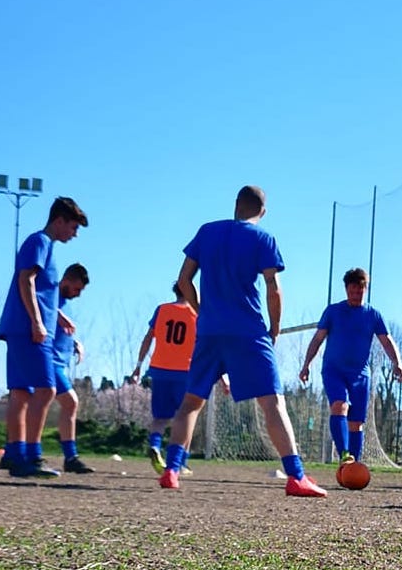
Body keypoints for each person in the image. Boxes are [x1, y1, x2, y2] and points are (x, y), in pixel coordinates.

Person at [158, 185, 326, 497]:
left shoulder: (206, 232)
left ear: (236, 204)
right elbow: (273, 287)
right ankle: (296, 477)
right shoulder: (263, 238)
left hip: (209, 331)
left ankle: (171, 471)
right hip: (248, 331)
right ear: (263, 212)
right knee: (272, 403)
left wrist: (201, 311)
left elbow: (183, 280)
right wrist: (274, 327)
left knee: (191, 403)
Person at [0, 196, 88, 478]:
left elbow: (43, 291)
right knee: (46, 390)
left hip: (19, 327)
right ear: (59, 221)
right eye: (73, 227)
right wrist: (37, 321)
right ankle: (32, 457)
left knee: (22, 393)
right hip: (29, 330)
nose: (74, 234)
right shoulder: (40, 242)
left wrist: (54, 316)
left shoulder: (44, 245)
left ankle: (13, 454)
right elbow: (27, 280)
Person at [297, 267, 402, 464]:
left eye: (360, 291)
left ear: (366, 289)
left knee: (356, 423)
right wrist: (306, 365)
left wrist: (397, 363)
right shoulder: (333, 311)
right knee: (339, 405)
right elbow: (317, 339)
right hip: (334, 370)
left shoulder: (373, 315)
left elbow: (387, 340)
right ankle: (344, 454)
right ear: (346, 289)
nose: (356, 295)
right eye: (352, 290)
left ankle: (354, 466)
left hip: (360, 375)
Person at [128, 283, 197, 474]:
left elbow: (148, 337)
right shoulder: (196, 314)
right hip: (185, 371)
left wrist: (139, 365)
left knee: (160, 417)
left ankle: (155, 445)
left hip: (159, 369)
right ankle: (182, 462)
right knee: (186, 417)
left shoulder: (162, 310)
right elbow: (203, 346)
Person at [51, 263, 93, 474]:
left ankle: (18, 450)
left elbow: (60, 327)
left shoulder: (66, 303)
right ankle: (70, 456)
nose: (77, 294)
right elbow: (44, 309)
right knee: (70, 402)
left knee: (32, 403)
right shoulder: (50, 294)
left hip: (60, 361)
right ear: (66, 280)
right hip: (49, 361)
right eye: (76, 289)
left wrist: (74, 342)